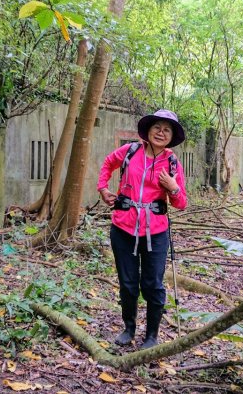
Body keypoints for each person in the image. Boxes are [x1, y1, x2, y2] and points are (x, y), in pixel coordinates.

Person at [97, 109, 187, 349]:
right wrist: (103, 188)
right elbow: (108, 163)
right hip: (123, 227)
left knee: (152, 284)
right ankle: (129, 328)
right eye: (157, 127)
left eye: (167, 130)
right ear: (148, 130)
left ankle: (152, 336)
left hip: (155, 232)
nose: (161, 132)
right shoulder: (130, 151)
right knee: (128, 283)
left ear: (171, 136)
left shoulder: (172, 163)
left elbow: (181, 203)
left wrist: (173, 187)